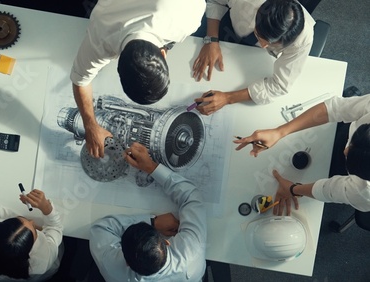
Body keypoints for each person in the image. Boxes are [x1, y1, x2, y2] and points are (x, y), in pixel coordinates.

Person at [71, 0, 206, 158]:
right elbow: (80, 80)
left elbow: (81, 80)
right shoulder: (101, 34)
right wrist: (90, 126)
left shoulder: (188, 20)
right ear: (163, 53)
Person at [234, 94, 370, 216]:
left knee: (324, 170)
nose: (345, 151)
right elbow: (336, 108)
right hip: (345, 136)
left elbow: (330, 190)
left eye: (349, 153)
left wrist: (293, 189)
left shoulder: (365, 194)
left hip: (346, 170)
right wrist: (279, 132)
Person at [89, 142, 206, 281]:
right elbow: (191, 196)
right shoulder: (191, 257)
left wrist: (153, 222)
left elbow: (101, 228)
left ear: (126, 262)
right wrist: (151, 166)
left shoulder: (113, 270)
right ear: (166, 242)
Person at [192, 0, 315, 115]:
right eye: (259, 35)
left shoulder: (303, 39)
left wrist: (227, 98)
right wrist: (212, 40)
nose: (262, 46)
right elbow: (215, 2)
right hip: (229, 29)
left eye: (270, 44)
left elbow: (280, 86)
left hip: (255, 59)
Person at [0, 189, 63, 281]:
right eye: (34, 230)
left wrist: (19, 219)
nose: (33, 221)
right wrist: (47, 208)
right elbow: (55, 227)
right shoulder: (43, 259)